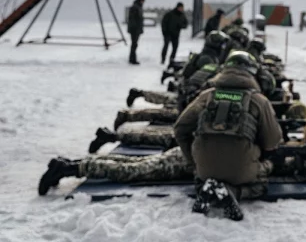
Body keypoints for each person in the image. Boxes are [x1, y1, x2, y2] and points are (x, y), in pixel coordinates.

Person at [174, 50, 283, 220]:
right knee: (261, 183)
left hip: (204, 169)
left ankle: (204, 187)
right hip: (242, 171)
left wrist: (193, 162)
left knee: (203, 175)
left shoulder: (206, 96)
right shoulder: (259, 101)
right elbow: (272, 142)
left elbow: (180, 129)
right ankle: (233, 191)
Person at [38, 147, 193, 196]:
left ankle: (72, 164)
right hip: (192, 158)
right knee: (134, 169)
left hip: (192, 153)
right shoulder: (217, 93)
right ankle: (68, 168)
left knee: (135, 163)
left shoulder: (216, 93)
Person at [127, 0, 145, 65]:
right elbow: (133, 19)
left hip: (136, 29)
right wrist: (135, 28)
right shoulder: (135, 7)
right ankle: (132, 59)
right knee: (134, 44)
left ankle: (132, 58)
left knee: (134, 44)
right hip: (134, 30)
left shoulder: (138, 7)